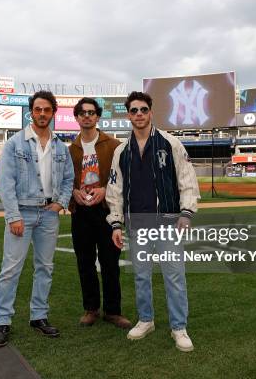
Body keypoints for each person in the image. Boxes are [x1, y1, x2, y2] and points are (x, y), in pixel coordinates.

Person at [105, 91, 200, 352]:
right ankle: (146, 320)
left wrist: (186, 212)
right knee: (141, 277)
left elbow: (187, 180)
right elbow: (115, 189)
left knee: (175, 278)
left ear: (150, 112)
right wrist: (115, 222)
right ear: (128, 115)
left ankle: (179, 327)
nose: (139, 114)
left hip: (168, 223)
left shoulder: (171, 143)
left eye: (143, 109)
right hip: (137, 225)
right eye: (134, 110)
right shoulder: (121, 151)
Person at [0, 90, 74, 348]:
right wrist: (13, 215)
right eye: (37, 109)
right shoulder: (15, 143)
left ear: (53, 113)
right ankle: (2, 320)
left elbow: (69, 178)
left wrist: (60, 202)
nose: (41, 114)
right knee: (11, 269)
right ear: (31, 111)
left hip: (49, 214)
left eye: (46, 110)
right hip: (22, 214)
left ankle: (38, 316)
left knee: (45, 268)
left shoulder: (60, 146)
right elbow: (5, 183)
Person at [68, 97, 131, 329]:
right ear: (76, 117)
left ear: (97, 116)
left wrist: (106, 189)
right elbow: (65, 181)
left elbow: (124, 178)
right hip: (81, 212)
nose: (87, 116)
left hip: (106, 212)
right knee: (85, 262)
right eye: (82, 113)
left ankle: (113, 311)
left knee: (110, 262)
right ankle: (91, 308)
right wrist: (72, 193)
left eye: (91, 112)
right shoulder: (71, 149)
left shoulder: (113, 145)